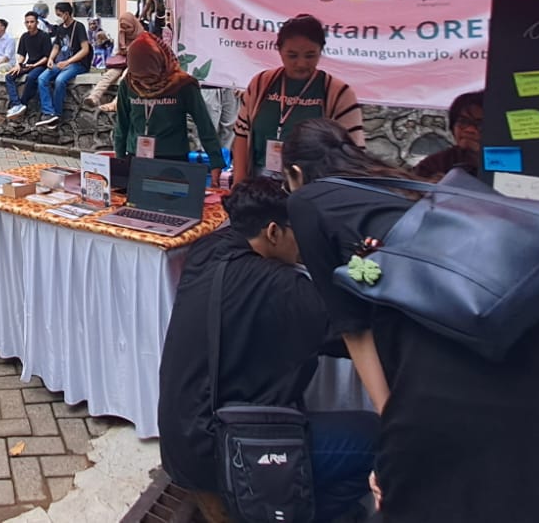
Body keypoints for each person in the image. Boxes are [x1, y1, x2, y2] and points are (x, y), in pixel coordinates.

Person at [282, 119, 539, 523]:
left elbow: (354, 329)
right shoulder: (401, 186)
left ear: (294, 173)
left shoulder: (307, 200)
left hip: (451, 365)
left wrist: (391, 426)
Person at [159, 178, 376, 522]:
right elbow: (353, 335)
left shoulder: (207, 249)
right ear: (273, 232)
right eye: (299, 234)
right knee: (376, 439)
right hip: (222, 451)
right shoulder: (282, 287)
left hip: (180, 437)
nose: (305, 244)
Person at [230, 14, 363, 182]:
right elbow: (241, 135)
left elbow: (352, 152)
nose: (301, 64)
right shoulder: (260, 84)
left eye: (310, 55)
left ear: (321, 51)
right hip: (260, 183)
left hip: (312, 186)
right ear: (279, 50)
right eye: (292, 55)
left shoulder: (339, 93)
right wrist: (239, 182)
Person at [112, 34, 226, 184]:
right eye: (139, 78)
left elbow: (204, 125)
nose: (144, 84)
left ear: (160, 64)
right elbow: (122, 124)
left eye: (149, 77)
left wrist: (216, 162)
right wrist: (120, 160)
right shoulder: (128, 84)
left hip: (172, 159)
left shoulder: (183, 84)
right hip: (136, 157)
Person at [36, 1, 90, 128]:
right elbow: (56, 46)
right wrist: (51, 59)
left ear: (66, 14)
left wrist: (68, 62)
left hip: (77, 63)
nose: (58, 17)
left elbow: (85, 49)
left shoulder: (78, 27)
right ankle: (49, 112)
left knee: (60, 80)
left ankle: (57, 113)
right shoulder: (60, 28)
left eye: (59, 14)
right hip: (62, 62)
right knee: (42, 78)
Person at [413, 91, 484, 179]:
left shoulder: (500, 164)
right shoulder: (434, 164)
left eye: (480, 124)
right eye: (463, 121)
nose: (469, 130)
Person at [85, 13, 145, 112]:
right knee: (108, 76)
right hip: (122, 61)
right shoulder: (121, 35)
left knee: (125, 78)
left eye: (128, 27)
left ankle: (116, 103)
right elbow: (115, 51)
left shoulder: (143, 36)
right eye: (123, 27)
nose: (125, 30)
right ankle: (93, 97)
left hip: (136, 63)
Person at [4, 12, 51, 120]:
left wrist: (34, 65)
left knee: (31, 78)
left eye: (32, 22)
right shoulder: (24, 37)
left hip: (41, 65)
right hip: (29, 63)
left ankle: (23, 103)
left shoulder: (44, 36)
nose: (29, 24)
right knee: (9, 76)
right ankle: (17, 104)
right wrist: (18, 65)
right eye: (27, 22)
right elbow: (22, 55)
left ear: (37, 23)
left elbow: (47, 57)